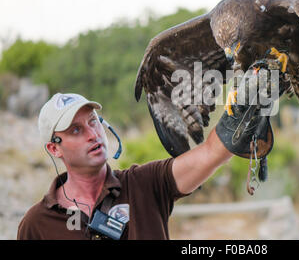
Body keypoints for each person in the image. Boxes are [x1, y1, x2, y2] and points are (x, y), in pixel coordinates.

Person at [17, 89, 274, 240]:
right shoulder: (37, 224)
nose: (92, 134)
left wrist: (244, 108)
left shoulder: (145, 184)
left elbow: (210, 153)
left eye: (93, 121)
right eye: (75, 130)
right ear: (54, 148)